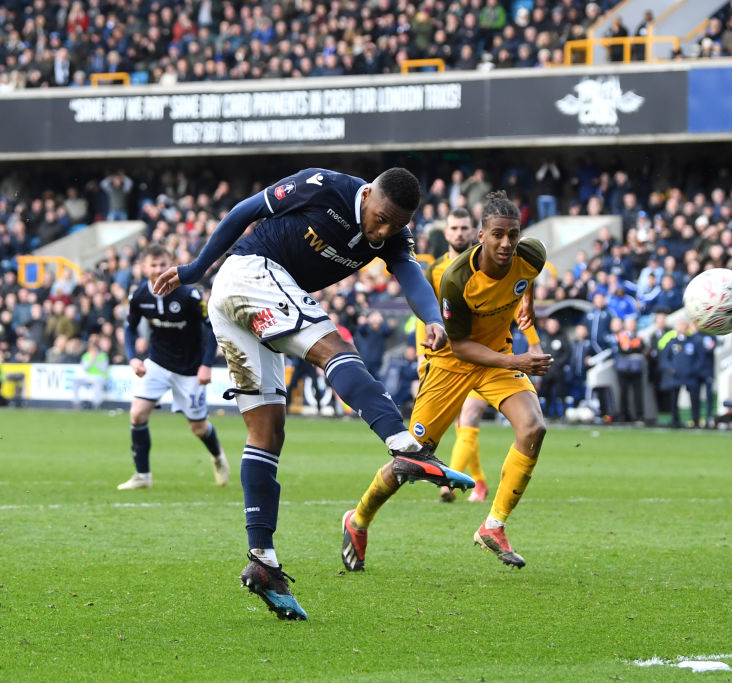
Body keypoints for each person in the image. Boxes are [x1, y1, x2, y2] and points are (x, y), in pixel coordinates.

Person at [153, 167, 474, 621]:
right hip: (251, 273)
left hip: (241, 300)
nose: (383, 231)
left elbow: (410, 274)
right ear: (368, 195)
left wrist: (434, 318)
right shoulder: (324, 186)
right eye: (381, 218)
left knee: (267, 431)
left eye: (395, 225)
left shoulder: (394, 236)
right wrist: (194, 269)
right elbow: (245, 211)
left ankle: (262, 561)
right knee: (335, 350)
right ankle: (405, 446)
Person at [341, 191, 553, 573]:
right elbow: (461, 346)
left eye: (513, 235)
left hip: (496, 360)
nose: (506, 243)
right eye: (498, 235)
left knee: (533, 427)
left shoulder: (532, 255)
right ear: (481, 236)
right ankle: (358, 520)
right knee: (410, 460)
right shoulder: (457, 277)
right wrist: (518, 360)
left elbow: (527, 277)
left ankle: (493, 526)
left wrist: (528, 305)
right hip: (453, 363)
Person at [118, 245, 229, 491]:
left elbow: (212, 328)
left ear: (171, 264)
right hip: (157, 363)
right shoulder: (139, 295)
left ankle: (217, 455)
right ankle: (142, 475)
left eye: (162, 264)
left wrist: (206, 365)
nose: (158, 269)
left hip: (190, 369)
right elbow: (129, 328)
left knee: (198, 428)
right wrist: (132, 358)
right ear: (144, 267)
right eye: (153, 265)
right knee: (137, 414)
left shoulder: (189, 295)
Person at [415, 207, 493, 504]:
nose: (459, 233)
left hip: (483, 358)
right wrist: (421, 354)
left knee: (469, 414)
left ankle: (447, 485)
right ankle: (480, 482)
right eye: (454, 228)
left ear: (474, 231)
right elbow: (424, 314)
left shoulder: (487, 266)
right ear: (446, 232)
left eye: (464, 228)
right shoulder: (434, 270)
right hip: (447, 361)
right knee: (462, 424)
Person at [71, 335, 109, 410]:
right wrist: (91, 360)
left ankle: (96, 404)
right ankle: (76, 402)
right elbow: (85, 368)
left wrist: (96, 360)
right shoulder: (86, 356)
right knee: (75, 382)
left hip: (99, 377)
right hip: (88, 376)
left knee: (97, 383)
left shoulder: (103, 356)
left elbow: (103, 369)